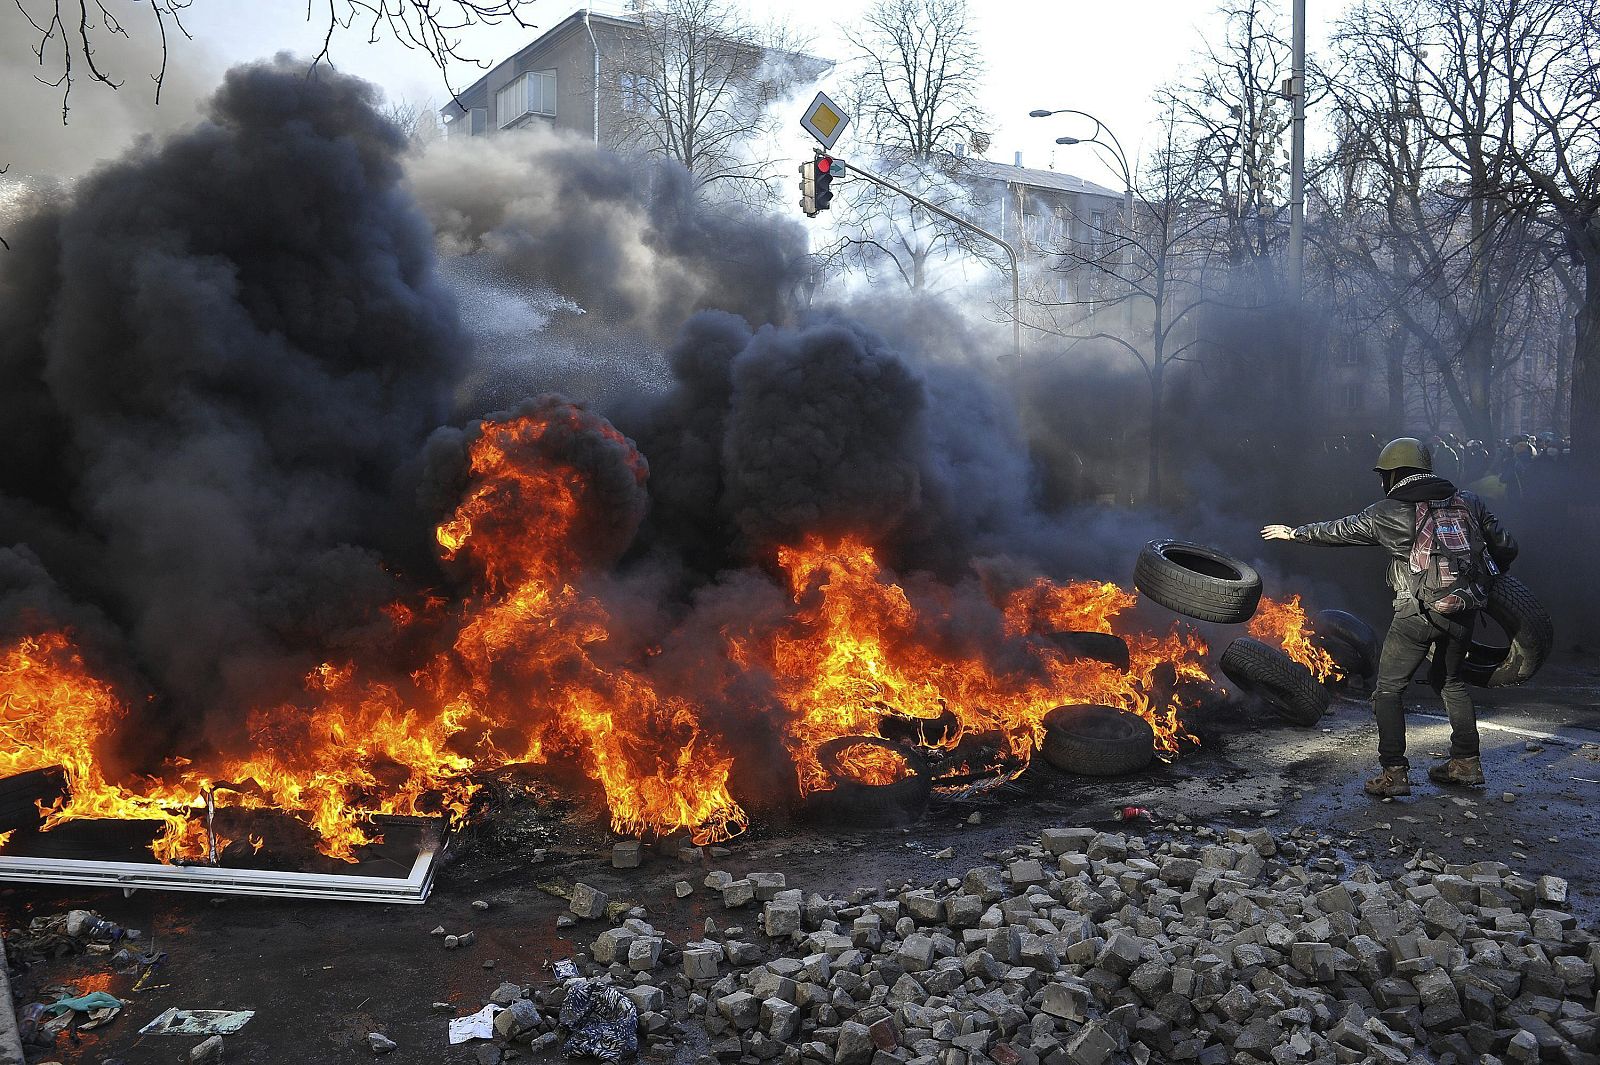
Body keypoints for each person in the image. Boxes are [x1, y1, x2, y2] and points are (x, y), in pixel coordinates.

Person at [1261, 437, 1519, 797]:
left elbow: (1339, 531)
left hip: (1418, 614)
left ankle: (1394, 774)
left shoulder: (1388, 511)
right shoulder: (1469, 501)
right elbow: (1506, 546)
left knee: (1388, 691)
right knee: (1451, 682)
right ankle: (1467, 764)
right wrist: (1492, 582)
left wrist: (1294, 533)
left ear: (1393, 474)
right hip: (1465, 610)